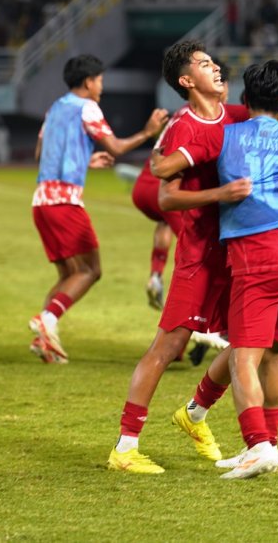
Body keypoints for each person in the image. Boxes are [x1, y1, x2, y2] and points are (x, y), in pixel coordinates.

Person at [150, 60, 278, 479]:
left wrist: (160, 149)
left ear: (244, 100)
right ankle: (267, 442)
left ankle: (257, 444)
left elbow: (163, 169)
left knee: (243, 358)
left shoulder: (225, 135)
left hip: (257, 257)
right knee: (273, 355)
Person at [107, 40, 252, 474]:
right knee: (169, 345)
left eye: (216, 62)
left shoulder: (239, 116)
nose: (218, 69)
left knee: (248, 341)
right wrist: (221, 193)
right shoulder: (184, 126)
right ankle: (125, 447)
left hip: (238, 249)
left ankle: (195, 414)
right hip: (200, 252)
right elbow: (166, 197)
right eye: (206, 65)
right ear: (187, 81)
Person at [29, 54, 167, 363]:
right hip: (65, 202)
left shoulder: (55, 108)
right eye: (100, 80)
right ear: (89, 81)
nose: (102, 86)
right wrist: (148, 132)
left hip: (41, 202)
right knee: (91, 270)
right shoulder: (87, 107)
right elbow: (116, 147)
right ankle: (46, 320)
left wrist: (84, 160)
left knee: (68, 275)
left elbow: (41, 154)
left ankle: (45, 340)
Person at [134, 61, 232, 312]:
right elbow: (166, 169)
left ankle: (156, 274)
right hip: (160, 187)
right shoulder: (199, 120)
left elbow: (161, 155)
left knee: (167, 225)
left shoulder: (186, 114)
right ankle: (192, 320)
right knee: (196, 253)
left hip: (145, 186)